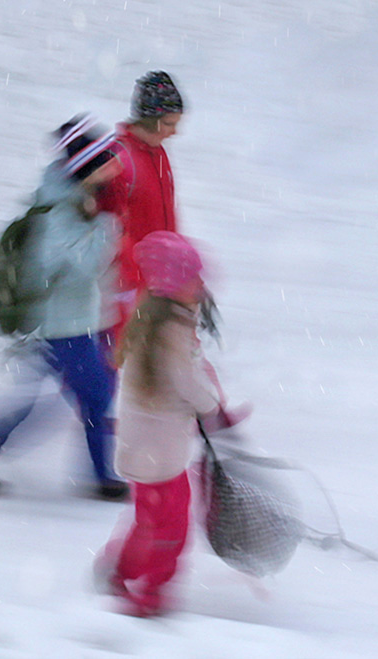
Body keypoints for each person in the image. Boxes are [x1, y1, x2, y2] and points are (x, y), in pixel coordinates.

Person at [0, 115, 129, 501]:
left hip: (77, 321)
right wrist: (104, 233)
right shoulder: (58, 210)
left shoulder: (80, 201)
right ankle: (100, 478)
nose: (114, 166)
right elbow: (59, 267)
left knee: (57, 398)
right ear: (87, 169)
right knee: (93, 395)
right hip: (61, 326)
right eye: (107, 161)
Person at [95, 231, 247, 617]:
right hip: (160, 451)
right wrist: (213, 409)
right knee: (171, 527)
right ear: (174, 285)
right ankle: (151, 592)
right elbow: (185, 381)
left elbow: (176, 376)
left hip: (140, 445)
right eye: (194, 279)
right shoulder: (171, 331)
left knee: (149, 519)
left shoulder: (148, 320)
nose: (201, 286)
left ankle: (121, 570)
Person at [98, 70, 186, 341]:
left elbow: (168, 220)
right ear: (151, 119)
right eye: (170, 123)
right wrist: (132, 284)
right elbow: (106, 232)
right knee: (123, 368)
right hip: (129, 292)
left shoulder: (158, 153)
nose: (175, 132)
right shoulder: (120, 161)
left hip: (161, 287)